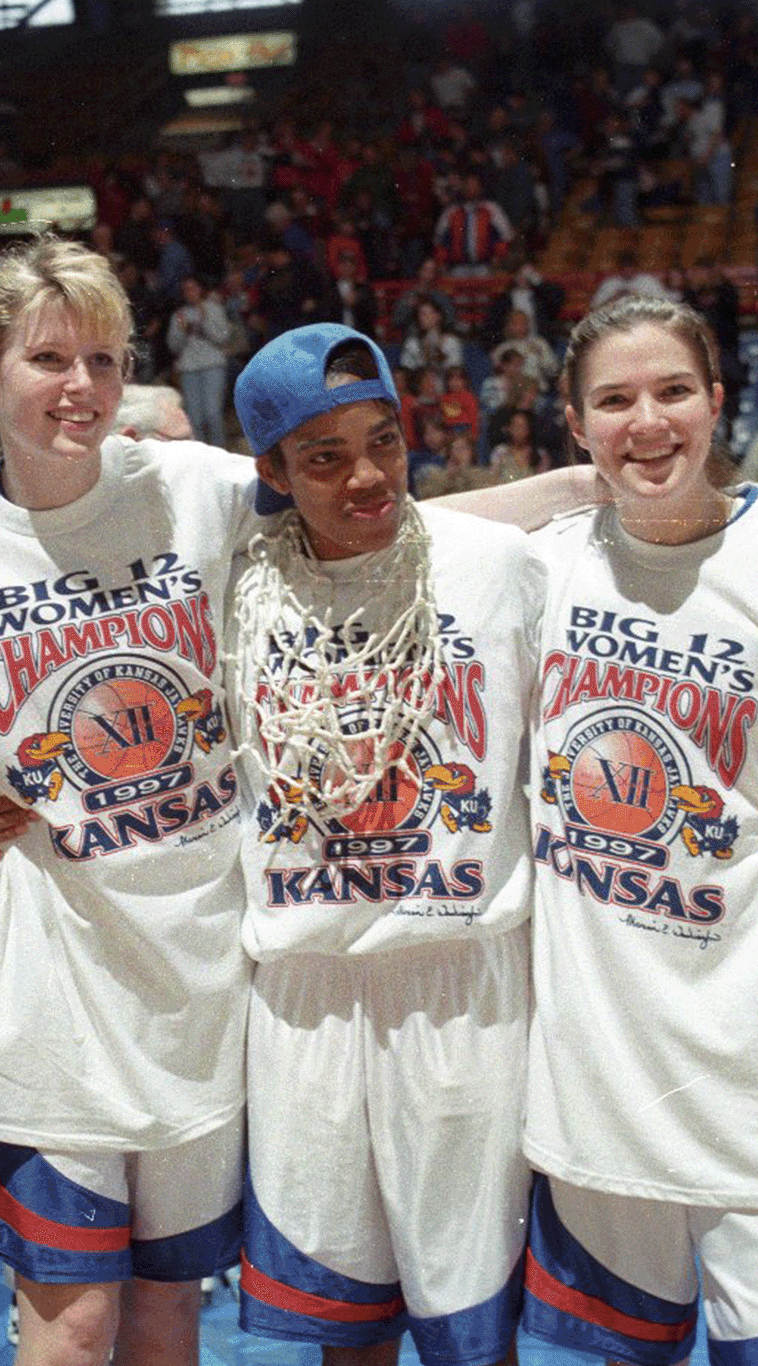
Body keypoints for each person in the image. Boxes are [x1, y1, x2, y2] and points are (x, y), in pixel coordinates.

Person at [0, 237, 255, 1366]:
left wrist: (590, 488)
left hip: (198, 971)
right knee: (71, 1319)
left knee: (166, 1309)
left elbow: (377, 509)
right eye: (49, 357)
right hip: (46, 982)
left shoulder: (198, 489)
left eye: (102, 356)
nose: (81, 385)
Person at [227, 323, 543, 1366]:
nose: (365, 477)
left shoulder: (497, 566)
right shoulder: (232, 586)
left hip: (456, 979)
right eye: (324, 457)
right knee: (342, 1326)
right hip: (306, 992)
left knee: (470, 1325)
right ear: (269, 470)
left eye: (384, 442)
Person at [511, 297, 758, 1366]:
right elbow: (367, 529)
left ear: (715, 398)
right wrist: (568, 493)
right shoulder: (537, 566)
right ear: (575, 423)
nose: (645, 423)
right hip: (600, 1085)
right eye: (613, 401)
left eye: (670, 392)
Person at [166, 275, 232, 447]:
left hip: (213, 365)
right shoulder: (179, 315)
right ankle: (201, 457)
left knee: (212, 413)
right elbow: (174, 347)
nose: (190, 292)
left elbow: (223, 338)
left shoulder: (214, 309)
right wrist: (182, 331)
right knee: (194, 417)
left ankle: (220, 453)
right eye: (186, 289)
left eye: (193, 288)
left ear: (200, 289)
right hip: (189, 368)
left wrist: (205, 320)